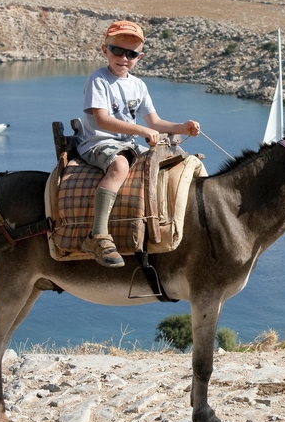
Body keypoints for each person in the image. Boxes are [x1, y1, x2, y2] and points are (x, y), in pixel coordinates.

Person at [77, 20, 200, 267]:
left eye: (131, 54)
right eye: (117, 51)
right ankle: (97, 235)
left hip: (128, 143)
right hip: (99, 142)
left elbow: (154, 121)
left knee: (175, 161)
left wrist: (182, 127)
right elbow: (102, 121)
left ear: (139, 56)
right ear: (105, 50)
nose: (123, 58)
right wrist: (141, 130)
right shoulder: (98, 80)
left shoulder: (138, 85)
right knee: (120, 167)